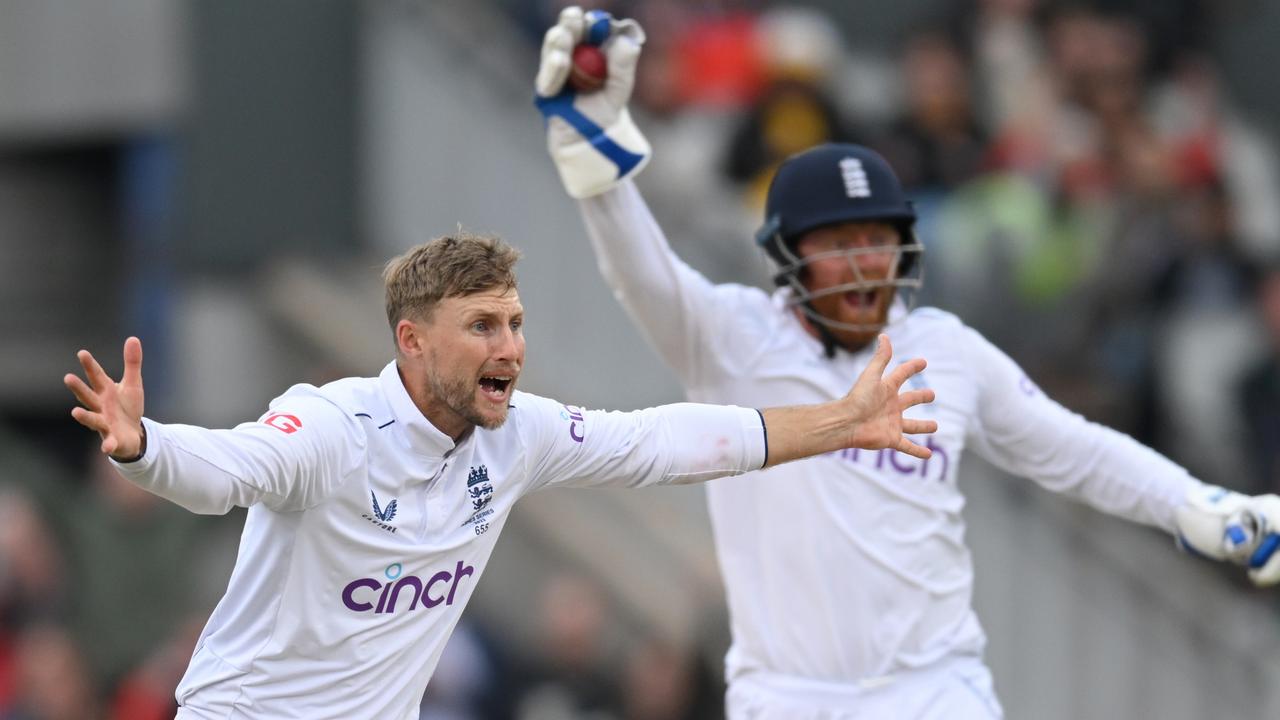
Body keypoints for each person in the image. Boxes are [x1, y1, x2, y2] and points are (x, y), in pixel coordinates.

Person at [532, 7, 1280, 718]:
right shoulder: (728, 337)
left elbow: (1072, 450)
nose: (865, 264)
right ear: (789, 256)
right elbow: (642, 274)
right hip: (789, 698)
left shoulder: (943, 350)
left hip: (935, 688)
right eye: (838, 243)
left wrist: (1198, 507)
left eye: (877, 239)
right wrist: (595, 165)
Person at [63, 231, 938, 719]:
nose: (511, 348)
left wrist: (842, 423)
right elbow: (229, 471)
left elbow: (666, 441)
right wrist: (148, 448)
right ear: (412, 340)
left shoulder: (516, 435)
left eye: (515, 323)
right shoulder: (333, 426)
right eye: (482, 325)